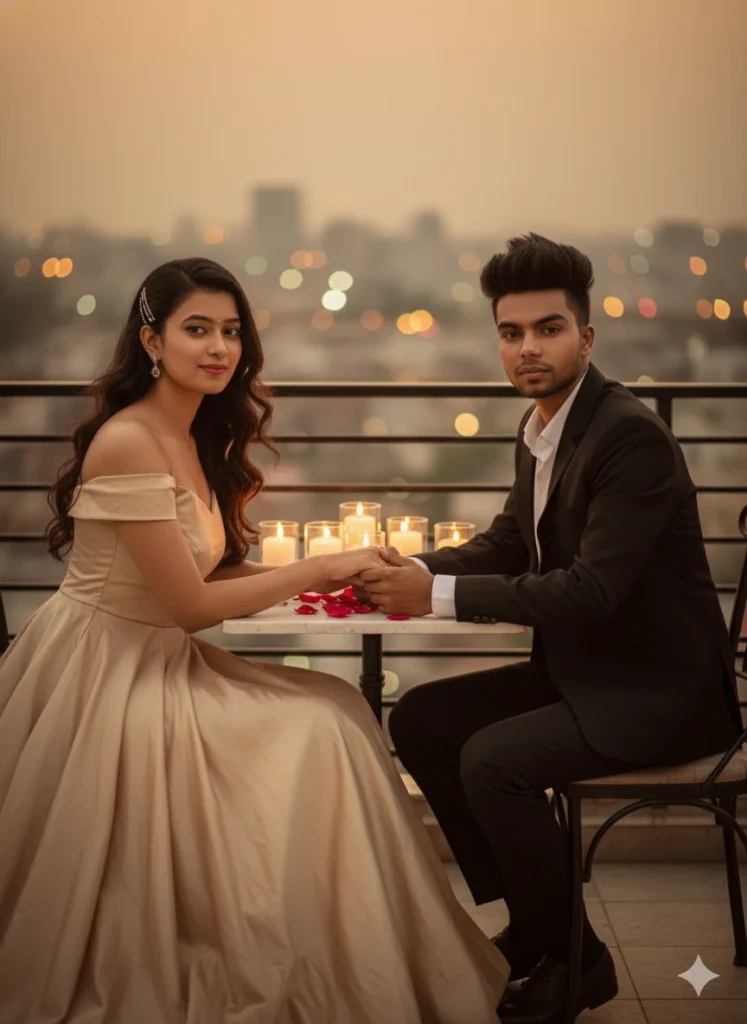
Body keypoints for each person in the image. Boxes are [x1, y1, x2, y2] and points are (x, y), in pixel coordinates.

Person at [0, 257, 508, 1023]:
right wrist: (320, 563)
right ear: (150, 340)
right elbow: (189, 605)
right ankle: (304, 946)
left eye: (231, 331)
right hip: (107, 672)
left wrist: (325, 575)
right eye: (196, 329)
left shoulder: (191, 432)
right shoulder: (132, 439)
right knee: (321, 725)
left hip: (163, 656)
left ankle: (340, 944)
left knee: (336, 705)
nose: (219, 348)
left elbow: (202, 568)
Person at [358, 234, 743, 1024]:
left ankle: (577, 960)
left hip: (654, 693)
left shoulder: (626, 436)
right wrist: (411, 570)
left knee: (494, 761)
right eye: (510, 333)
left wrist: (425, 601)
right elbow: (508, 543)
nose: (527, 348)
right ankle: (538, 929)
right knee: (423, 720)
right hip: (585, 672)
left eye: (547, 329)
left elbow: (591, 590)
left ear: (585, 337)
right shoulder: (543, 429)